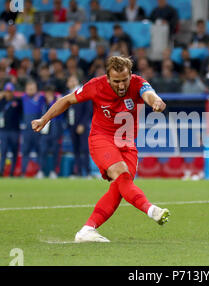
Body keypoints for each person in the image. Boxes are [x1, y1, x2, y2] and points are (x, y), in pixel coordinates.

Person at [31, 56, 171, 242]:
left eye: (124, 80)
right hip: (101, 139)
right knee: (122, 176)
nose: (121, 86)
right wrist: (44, 119)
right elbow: (67, 100)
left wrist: (156, 102)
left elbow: (149, 94)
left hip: (127, 144)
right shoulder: (95, 86)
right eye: (116, 81)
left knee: (121, 188)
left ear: (131, 75)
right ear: (107, 78)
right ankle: (151, 210)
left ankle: (87, 230)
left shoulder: (139, 83)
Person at [66, 76, 92, 178]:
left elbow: (88, 110)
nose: (71, 82)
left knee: (85, 149)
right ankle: (79, 172)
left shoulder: (83, 92)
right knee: (75, 149)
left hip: (82, 125)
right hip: (72, 125)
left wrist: (83, 124)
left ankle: (88, 172)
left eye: (73, 80)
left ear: (77, 81)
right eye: (69, 80)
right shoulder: (67, 94)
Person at [36, 86, 64, 179]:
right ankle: (41, 171)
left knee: (56, 151)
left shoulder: (58, 100)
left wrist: (54, 100)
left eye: (50, 92)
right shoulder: (42, 101)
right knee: (43, 150)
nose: (48, 94)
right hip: (45, 129)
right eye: (47, 92)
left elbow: (60, 111)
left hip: (56, 127)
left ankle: (54, 172)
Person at [0, 82, 22, 177]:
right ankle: (0, 171)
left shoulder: (17, 101)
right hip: (3, 130)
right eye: (7, 91)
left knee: (14, 152)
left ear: (13, 92)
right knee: (3, 152)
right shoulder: (0, 101)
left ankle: (12, 172)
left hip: (14, 130)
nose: (8, 93)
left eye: (10, 91)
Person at [21, 80, 45, 177]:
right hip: (27, 130)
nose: (30, 90)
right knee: (25, 151)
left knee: (40, 150)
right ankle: (23, 173)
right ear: (25, 89)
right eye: (29, 88)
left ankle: (40, 172)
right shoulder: (23, 97)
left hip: (38, 129)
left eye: (32, 88)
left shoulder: (41, 97)